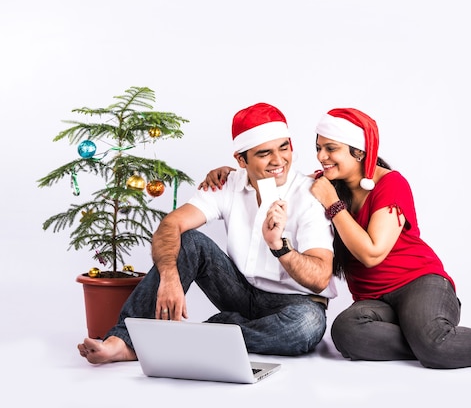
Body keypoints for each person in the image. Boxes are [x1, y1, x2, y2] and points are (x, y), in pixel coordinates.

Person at [201, 107, 471, 369]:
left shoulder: (390, 185)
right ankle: (432, 340)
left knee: (436, 347)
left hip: (419, 283)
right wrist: (229, 173)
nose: (321, 157)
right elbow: (277, 175)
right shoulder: (322, 185)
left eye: (330, 149)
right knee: (346, 335)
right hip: (373, 301)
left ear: (359, 150)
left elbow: (371, 253)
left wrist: (334, 206)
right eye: (318, 148)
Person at [78, 102, 337, 364]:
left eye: (284, 147)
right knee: (188, 241)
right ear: (240, 160)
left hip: (296, 304)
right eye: (264, 153)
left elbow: (319, 278)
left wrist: (279, 246)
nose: (278, 160)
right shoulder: (227, 184)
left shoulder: (310, 194)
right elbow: (170, 225)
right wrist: (169, 277)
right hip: (240, 291)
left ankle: (193, 338)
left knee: (305, 328)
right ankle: (122, 341)